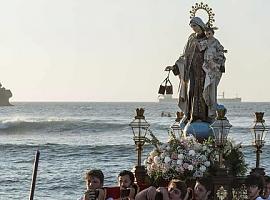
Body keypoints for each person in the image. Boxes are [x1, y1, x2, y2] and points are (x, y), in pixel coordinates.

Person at [165, 17, 226, 123]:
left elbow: (219, 52)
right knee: (192, 91)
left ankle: (205, 116)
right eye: (192, 27)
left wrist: (219, 63)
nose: (193, 29)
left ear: (200, 25)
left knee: (204, 91)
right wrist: (175, 67)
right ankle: (192, 115)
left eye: (195, 26)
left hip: (204, 71)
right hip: (192, 70)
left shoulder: (209, 39)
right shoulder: (191, 38)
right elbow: (185, 55)